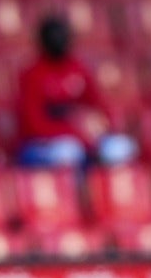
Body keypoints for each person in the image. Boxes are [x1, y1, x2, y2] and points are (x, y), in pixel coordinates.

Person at [16, 14, 137, 169]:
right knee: (68, 151)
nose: (58, 40)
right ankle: (70, 191)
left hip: (81, 140)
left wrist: (103, 127)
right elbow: (34, 125)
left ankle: (107, 191)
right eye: (53, 36)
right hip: (40, 146)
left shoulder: (78, 70)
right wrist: (75, 131)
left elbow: (99, 105)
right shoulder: (32, 75)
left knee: (120, 148)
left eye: (62, 35)